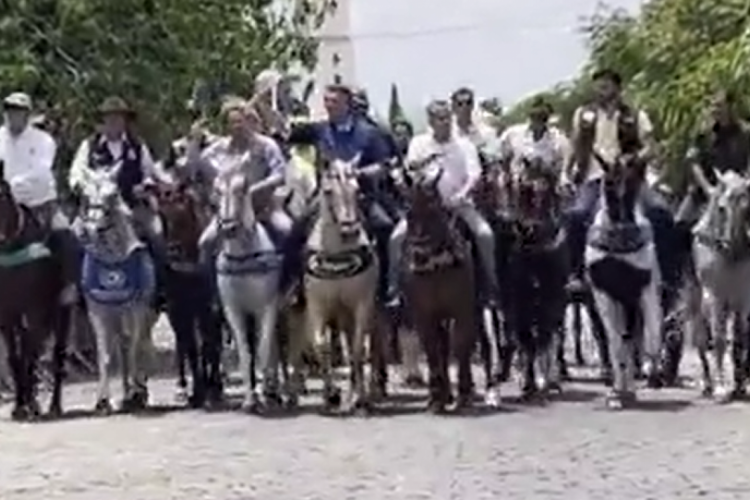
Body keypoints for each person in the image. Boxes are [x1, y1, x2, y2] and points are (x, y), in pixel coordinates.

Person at [284, 83, 393, 299]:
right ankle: (296, 285)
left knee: (385, 226)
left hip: (361, 195)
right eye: (326, 101)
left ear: (347, 104)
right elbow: (284, 131)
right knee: (295, 231)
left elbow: (383, 164)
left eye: (334, 101)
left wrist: (359, 173)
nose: (329, 106)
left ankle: (384, 287)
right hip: (326, 195)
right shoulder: (319, 130)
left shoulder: (369, 133)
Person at [387, 100, 500, 307]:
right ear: (430, 121)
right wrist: (418, 172)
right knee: (396, 238)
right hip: (426, 207)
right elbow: (413, 170)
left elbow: (475, 174)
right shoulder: (419, 143)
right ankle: (393, 289)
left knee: (485, 234)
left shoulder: (464, 145)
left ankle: (491, 286)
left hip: (459, 205)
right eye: (440, 118)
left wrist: (462, 194)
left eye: (448, 117)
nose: (446, 122)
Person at [563, 69, 662, 291]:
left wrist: (635, 159)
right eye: (598, 85)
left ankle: (667, 275)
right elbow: (573, 144)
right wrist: (565, 172)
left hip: (630, 179)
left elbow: (651, 146)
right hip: (595, 178)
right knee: (576, 216)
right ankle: (576, 273)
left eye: (606, 85)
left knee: (659, 212)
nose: (601, 90)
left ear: (618, 88)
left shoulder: (635, 115)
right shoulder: (583, 115)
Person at [188, 99, 289, 273]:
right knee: (205, 243)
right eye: (232, 122)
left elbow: (280, 174)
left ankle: (289, 284)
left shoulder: (266, 145)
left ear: (248, 121)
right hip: (228, 212)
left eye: (240, 121)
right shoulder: (218, 149)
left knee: (287, 231)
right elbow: (196, 167)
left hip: (264, 208)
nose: (237, 126)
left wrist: (255, 189)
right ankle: (214, 294)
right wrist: (194, 142)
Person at [0, 92, 77, 303]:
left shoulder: (43, 141)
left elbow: (42, 171)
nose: (12, 115)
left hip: (39, 202)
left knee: (65, 234)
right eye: (9, 110)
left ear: (27, 115)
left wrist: (12, 184)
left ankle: (70, 285)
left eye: (18, 111)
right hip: (3, 204)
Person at [69, 96, 167, 252]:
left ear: (125, 121)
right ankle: (76, 276)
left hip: (132, 206)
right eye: (110, 117)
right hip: (97, 209)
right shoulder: (89, 146)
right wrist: (83, 188)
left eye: (119, 117)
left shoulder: (137, 146)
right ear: (103, 120)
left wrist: (144, 187)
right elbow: (76, 173)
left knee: (156, 233)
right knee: (73, 237)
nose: (114, 122)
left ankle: (159, 274)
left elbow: (149, 173)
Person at [677, 90, 750, 225]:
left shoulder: (745, 132)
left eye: (719, 105)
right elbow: (694, 162)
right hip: (708, 190)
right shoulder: (704, 133)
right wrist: (708, 189)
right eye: (712, 105)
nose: (715, 109)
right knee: (680, 225)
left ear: (731, 106)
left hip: (739, 190)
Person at [497, 96, 570, 182]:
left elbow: (565, 164)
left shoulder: (558, 138)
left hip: (547, 183)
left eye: (541, 117)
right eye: (534, 116)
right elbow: (503, 158)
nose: (537, 120)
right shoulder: (512, 134)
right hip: (518, 184)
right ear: (530, 116)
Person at [451, 87, 498, 161]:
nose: (465, 107)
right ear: (453, 107)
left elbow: (494, 157)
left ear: (472, 105)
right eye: (460, 104)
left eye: (468, 103)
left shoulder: (485, 132)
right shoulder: (448, 134)